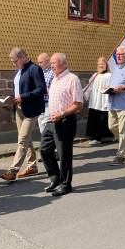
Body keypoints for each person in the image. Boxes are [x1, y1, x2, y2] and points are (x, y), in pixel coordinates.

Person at [40, 53, 83, 196]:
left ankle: (65, 185)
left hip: (65, 120)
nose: (51, 65)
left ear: (64, 64)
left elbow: (78, 104)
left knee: (64, 154)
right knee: (44, 150)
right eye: (51, 63)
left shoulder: (72, 79)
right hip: (52, 120)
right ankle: (56, 178)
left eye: (54, 63)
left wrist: (62, 114)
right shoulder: (54, 79)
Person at [0, 48, 46, 181]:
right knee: (27, 139)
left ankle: (13, 170)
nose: (13, 64)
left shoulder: (34, 69)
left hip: (31, 110)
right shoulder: (18, 70)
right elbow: (17, 89)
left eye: (15, 61)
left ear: (23, 57)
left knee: (23, 140)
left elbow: (42, 89)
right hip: (19, 109)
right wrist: (10, 97)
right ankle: (32, 167)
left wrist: (24, 97)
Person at [84, 57, 113, 145]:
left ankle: (102, 137)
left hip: (103, 101)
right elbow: (89, 87)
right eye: (100, 64)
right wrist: (85, 93)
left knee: (103, 119)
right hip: (94, 102)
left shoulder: (109, 75)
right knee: (94, 119)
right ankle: (95, 137)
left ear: (106, 65)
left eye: (103, 64)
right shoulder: (95, 75)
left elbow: (112, 87)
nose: (101, 66)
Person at [36, 53, 54, 135]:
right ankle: (45, 141)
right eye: (38, 63)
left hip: (49, 103)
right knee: (41, 123)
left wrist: (46, 89)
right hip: (40, 103)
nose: (39, 64)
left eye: (41, 62)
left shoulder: (53, 72)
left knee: (48, 124)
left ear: (48, 61)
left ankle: (51, 141)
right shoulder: (39, 72)